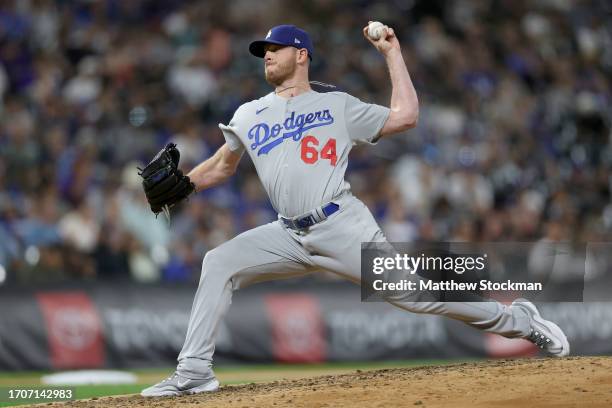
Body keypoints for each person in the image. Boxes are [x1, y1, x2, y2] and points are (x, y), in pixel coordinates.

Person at [141, 23, 569, 397]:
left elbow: (406, 116)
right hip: (287, 234)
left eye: (275, 48)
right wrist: (184, 183)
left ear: (301, 54)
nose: (266, 55)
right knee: (219, 262)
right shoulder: (250, 113)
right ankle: (194, 371)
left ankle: (519, 320)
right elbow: (222, 164)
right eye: (263, 52)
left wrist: (391, 53)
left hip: (342, 226)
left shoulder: (336, 105)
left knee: (417, 296)